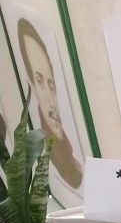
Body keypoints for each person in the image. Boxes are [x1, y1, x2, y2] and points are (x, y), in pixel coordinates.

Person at [17, 18, 83, 190]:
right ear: (31, 86)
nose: (51, 100)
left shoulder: (72, 156)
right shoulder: (48, 154)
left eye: (51, 85)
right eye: (39, 81)